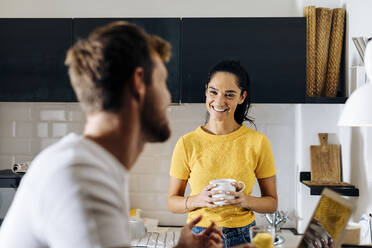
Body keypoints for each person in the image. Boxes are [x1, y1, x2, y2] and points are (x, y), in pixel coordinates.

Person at [0, 21, 224, 248]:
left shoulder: (89, 165)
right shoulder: (82, 177)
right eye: (162, 82)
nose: (167, 97)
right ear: (139, 82)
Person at [167, 60, 278, 247]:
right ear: (206, 91)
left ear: (242, 97)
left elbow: (272, 203)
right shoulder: (187, 143)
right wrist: (198, 199)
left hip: (243, 235)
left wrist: (245, 200)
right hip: (199, 235)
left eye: (229, 94)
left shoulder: (258, 142)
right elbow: (172, 202)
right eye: (213, 92)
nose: (219, 101)